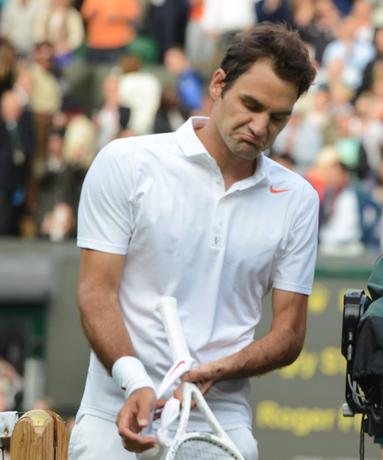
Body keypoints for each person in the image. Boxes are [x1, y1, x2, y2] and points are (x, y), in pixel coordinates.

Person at [68, 23, 318, 460]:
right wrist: (136, 381)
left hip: (222, 420)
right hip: (116, 410)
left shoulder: (298, 199)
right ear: (218, 84)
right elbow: (95, 292)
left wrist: (220, 370)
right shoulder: (126, 163)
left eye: (278, 117)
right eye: (251, 105)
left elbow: (289, 332)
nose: (260, 127)